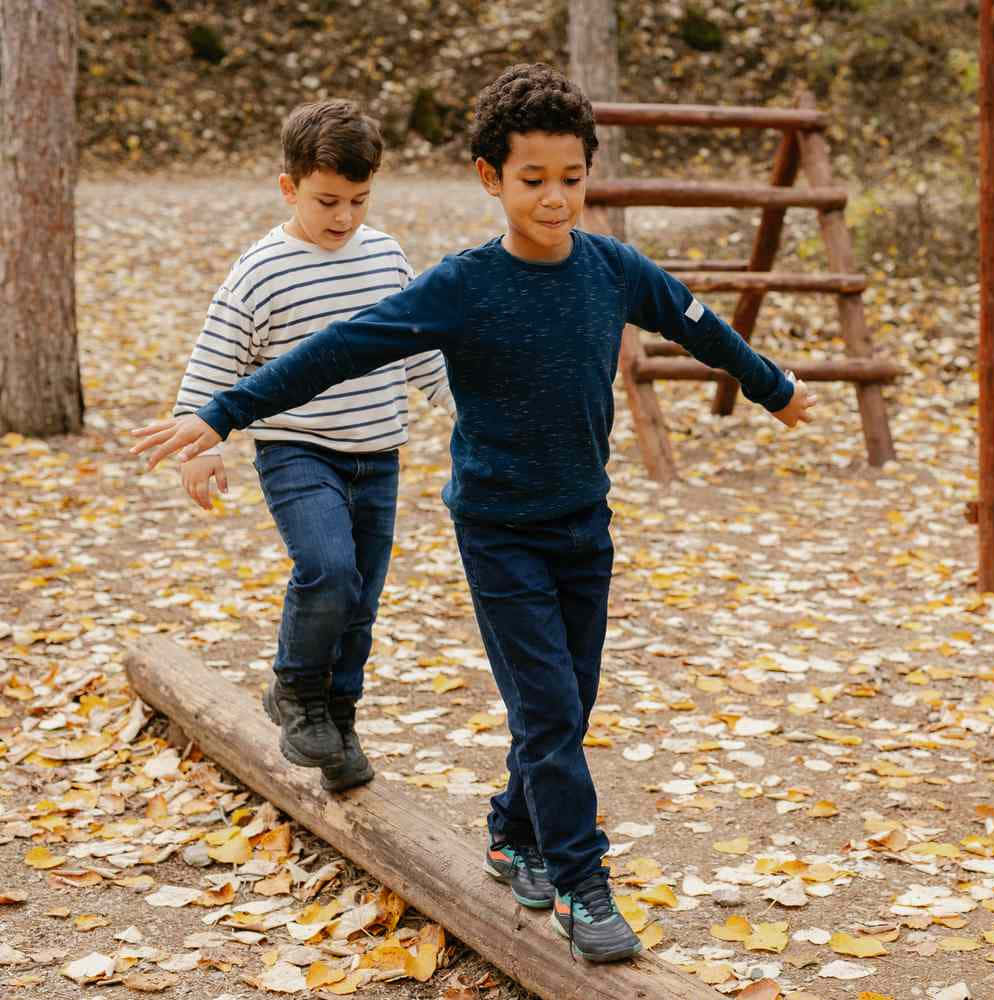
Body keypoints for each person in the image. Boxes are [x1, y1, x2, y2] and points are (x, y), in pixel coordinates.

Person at [132, 62, 816, 963]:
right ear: (491, 178)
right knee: (545, 711)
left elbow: (696, 322)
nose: (556, 198)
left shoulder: (614, 270)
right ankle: (583, 882)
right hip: (499, 531)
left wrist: (774, 387)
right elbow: (337, 350)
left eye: (572, 178)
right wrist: (222, 412)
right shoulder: (463, 286)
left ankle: (511, 833)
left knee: (569, 704)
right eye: (533, 180)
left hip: (585, 525)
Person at [153, 99, 453, 793]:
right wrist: (199, 442)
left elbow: (419, 350)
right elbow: (217, 356)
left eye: (358, 199)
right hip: (297, 450)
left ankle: (337, 716)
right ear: (289, 189)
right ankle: (294, 689)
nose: (344, 217)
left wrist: (467, 408)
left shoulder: (384, 256)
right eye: (327, 201)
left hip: (379, 454)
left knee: (363, 596)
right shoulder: (263, 269)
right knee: (327, 567)